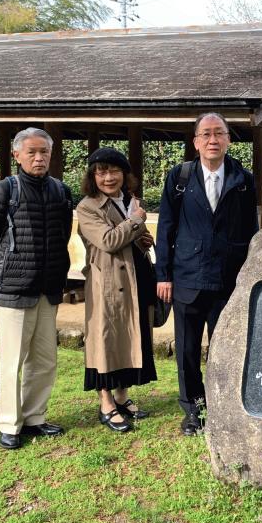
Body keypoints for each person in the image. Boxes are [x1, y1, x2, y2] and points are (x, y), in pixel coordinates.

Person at [155, 113, 258, 435]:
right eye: (206, 134)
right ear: (196, 141)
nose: (213, 140)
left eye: (219, 133)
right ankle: (193, 410)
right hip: (187, 276)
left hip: (227, 279)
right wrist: (163, 275)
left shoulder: (243, 179)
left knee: (224, 348)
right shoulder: (180, 177)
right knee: (186, 350)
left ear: (228, 139)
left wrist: (249, 274)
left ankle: (222, 405)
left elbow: (251, 228)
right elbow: (166, 227)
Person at [0, 128, 72, 449]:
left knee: (44, 360)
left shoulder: (61, 191)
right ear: (17, 155)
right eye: (31, 152)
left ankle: (34, 417)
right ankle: (9, 423)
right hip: (13, 290)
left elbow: (63, 234)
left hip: (48, 288)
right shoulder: (3, 191)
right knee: (11, 361)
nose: (39, 158)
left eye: (44, 152)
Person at [76, 148, 158, 432]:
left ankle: (122, 397)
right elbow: (108, 241)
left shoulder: (130, 200)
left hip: (136, 278)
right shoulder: (88, 207)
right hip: (107, 284)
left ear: (124, 174)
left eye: (114, 171)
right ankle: (106, 404)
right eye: (101, 172)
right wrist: (136, 220)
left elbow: (129, 236)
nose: (108, 178)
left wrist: (143, 239)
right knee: (107, 342)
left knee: (131, 338)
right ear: (93, 176)